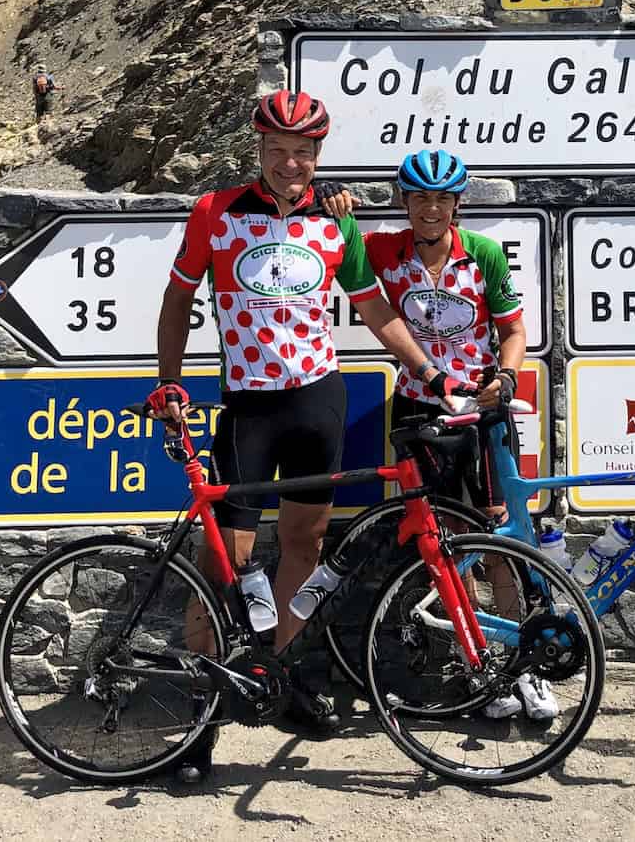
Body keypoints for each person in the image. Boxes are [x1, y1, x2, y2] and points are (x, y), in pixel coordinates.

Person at [147, 92, 463, 783]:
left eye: (303, 152)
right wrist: (169, 382)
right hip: (250, 408)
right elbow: (178, 300)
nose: (291, 164)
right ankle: (200, 717)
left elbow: (373, 307)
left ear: (319, 156)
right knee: (221, 563)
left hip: (319, 398)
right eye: (278, 151)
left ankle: (277, 679)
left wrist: (426, 367)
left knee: (304, 545)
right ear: (258, 151)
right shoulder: (216, 213)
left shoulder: (336, 221)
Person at [362, 149, 557, 723]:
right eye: (420, 197)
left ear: (457, 204)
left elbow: (514, 329)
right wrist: (336, 204)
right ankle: (480, 671)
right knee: (443, 546)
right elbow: (335, 234)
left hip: (482, 411)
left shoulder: (485, 254)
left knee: (500, 536)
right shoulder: (383, 251)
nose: (430, 208)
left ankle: (526, 664)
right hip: (419, 410)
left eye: (442, 198)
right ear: (404, 201)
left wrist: (506, 374)